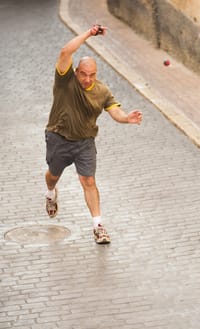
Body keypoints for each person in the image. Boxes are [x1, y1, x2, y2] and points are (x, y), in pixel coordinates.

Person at [45, 24, 143, 244]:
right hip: (58, 137)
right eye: (83, 75)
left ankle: (98, 226)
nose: (87, 79)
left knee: (88, 180)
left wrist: (126, 118)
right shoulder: (65, 80)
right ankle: (50, 193)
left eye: (92, 75)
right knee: (53, 175)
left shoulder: (102, 91)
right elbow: (65, 52)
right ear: (76, 72)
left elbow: (114, 111)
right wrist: (89, 33)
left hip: (85, 142)